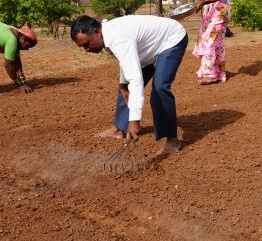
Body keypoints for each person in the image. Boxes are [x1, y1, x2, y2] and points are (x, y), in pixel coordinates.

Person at [70, 14, 189, 155]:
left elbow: (135, 78)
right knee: (125, 88)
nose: (87, 50)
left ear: (97, 33)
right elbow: (125, 61)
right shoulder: (107, 35)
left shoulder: (118, 37)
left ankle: (173, 141)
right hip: (147, 48)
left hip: (171, 39)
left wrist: (134, 119)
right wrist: (122, 84)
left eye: (86, 44)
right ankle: (119, 128)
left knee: (160, 88)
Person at [192, 0, 231, 85]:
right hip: (217, 13)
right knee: (217, 44)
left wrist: (204, 2)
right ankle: (219, 73)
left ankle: (210, 74)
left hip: (217, 13)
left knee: (209, 41)